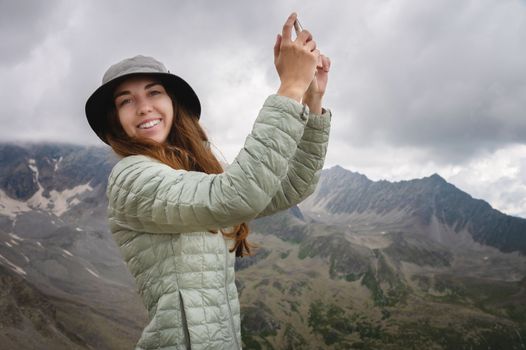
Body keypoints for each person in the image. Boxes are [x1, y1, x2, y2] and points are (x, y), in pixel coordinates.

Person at [84, 12, 331, 350]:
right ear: (115, 120)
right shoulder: (131, 178)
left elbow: (291, 187)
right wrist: (290, 87)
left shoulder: (191, 174)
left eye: (153, 92)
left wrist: (312, 100)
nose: (143, 107)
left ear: (172, 103)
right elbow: (239, 195)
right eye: (126, 100)